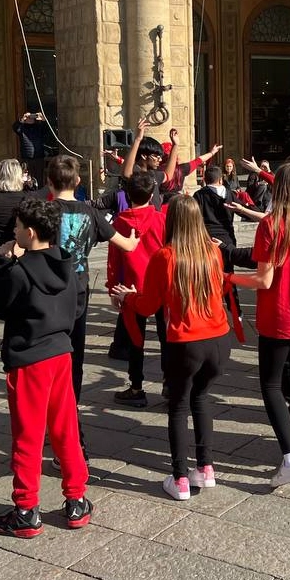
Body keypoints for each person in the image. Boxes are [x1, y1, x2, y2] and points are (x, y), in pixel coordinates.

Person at [113, 195, 233, 500]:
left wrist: (128, 296)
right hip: (219, 339)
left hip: (186, 342)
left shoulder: (165, 256)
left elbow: (148, 305)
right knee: (202, 398)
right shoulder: (212, 253)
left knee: (179, 406)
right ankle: (206, 469)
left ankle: (180, 478)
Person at [0, 197, 93, 536]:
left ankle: (26, 507)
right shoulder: (68, 264)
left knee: (28, 434)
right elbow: (76, 310)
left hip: (28, 357)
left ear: (29, 233)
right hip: (61, 352)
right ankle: (76, 499)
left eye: (17, 228)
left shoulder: (19, 271)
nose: (13, 232)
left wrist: (2, 260)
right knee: (66, 429)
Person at [232, 163, 290, 487]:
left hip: (280, 316)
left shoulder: (272, 225)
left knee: (272, 385)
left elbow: (263, 278)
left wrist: (227, 277)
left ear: (278, 188)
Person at [51, 155, 139, 450]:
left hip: (45, 291)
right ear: (78, 182)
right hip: (77, 290)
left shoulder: (43, 210)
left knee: (48, 357)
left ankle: (52, 416)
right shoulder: (90, 213)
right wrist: (137, 235)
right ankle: (70, 413)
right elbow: (126, 244)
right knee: (74, 356)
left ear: (49, 181)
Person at [107, 172, 168, 408]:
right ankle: (168, 383)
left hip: (132, 286)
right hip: (160, 285)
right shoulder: (161, 219)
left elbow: (114, 260)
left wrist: (114, 289)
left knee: (136, 339)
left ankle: (136, 387)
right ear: (152, 194)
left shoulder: (120, 222)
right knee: (166, 337)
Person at [13, 111, 50, 185]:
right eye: (29, 117)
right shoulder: (22, 128)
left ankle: (39, 191)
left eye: (32, 117)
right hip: (27, 157)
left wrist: (43, 120)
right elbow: (15, 127)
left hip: (39, 156)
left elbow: (47, 130)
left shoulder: (39, 127)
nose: (30, 119)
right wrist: (22, 120)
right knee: (27, 177)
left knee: (39, 176)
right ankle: (28, 191)